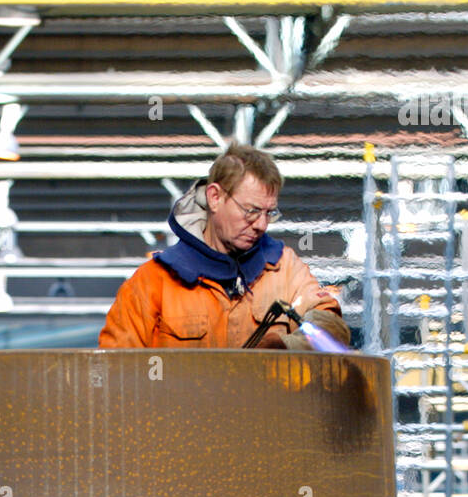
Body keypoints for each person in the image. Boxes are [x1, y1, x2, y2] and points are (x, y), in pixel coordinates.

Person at [99, 141, 350, 351]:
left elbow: (330, 327)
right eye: (251, 211)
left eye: (269, 213)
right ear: (215, 197)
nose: (261, 224)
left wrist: (288, 346)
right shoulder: (153, 284)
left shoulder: (285, 269)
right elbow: (115, 374)